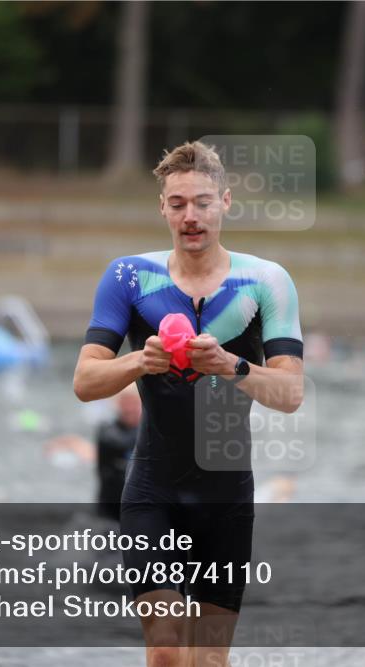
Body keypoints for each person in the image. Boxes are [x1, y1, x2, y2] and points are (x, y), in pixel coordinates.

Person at [73, 141, 304, 667]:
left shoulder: (266, 281)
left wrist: (232, 366)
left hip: (226, 494)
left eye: (201, 202)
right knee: (166, 652)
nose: (190, 216)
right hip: (154, 488)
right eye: (177, 204)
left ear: (225, 202)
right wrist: (139, 363)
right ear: (162, 208)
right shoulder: (129, 278)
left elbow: (290, 394)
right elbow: (85, 381)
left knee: (208, 661)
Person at [46, 385, 142, 521]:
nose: (129, 409)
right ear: (116, 405)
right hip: (110, 508)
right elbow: (113, 446)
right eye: (125, 404)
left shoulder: (151, 432)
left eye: (134, 404)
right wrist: (72, 443)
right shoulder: (107, 431)